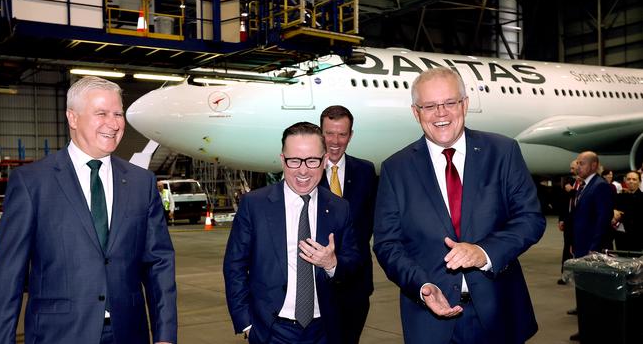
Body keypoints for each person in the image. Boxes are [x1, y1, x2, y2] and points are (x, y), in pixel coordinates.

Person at [0, 76, 177, 344]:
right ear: (73, 118)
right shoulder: (32, 182)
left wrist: (165, 335)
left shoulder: (141, 182)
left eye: (118, 114)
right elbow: (9, 273)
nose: (113, 124)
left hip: (129, 332)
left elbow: (159, 263)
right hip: (59, 334)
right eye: (101, 113)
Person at [373, 67, 546, 344]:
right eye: (429, 106)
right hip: (429, 320)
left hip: (500, 314)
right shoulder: (396, 169)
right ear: (416, 112)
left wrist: (484, 252)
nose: (441, 113)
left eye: (450, 102)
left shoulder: (502, 152)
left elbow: (530, 219)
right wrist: (422, 285)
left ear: (464, 104)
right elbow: (387, 244)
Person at [223, 122, 361, 344]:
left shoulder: (339, 208)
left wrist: (332, 264)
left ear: (325, 161)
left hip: (324, 330)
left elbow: (354, 263)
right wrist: (246, 324)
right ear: (282, 160)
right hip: (270, 330)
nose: (303, 170)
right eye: (294, 160)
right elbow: (234, 266)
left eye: (312, 161)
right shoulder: (255, 204)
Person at [319, 105, 377, 344]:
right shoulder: (306, 171)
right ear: (320, 133)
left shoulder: (365, 171)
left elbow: (371, 221)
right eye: (329, 133)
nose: (335, 141)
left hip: (356, 284)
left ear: (350, 135)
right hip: (317, 284)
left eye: (342, 134)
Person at [567, 151, 613, 341]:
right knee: (583, 289)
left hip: (592, 249)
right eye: (577, 163)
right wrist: (573, 243)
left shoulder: (600, 186)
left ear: (594, 166)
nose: (578, 166)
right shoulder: (584, 186)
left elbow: (603, 219)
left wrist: (593, 248)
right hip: (581, 246)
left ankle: (593, 330)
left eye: (582, 163)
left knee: (593, 292)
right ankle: (585, 327)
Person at [556, 160, 579, 285]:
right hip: (569, 222)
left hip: (580, 223)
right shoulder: (569, 182)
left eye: (573, 168)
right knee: (566, 249)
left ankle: (580, 275)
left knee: (579, 249)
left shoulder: (582, 185)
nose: (571, 171)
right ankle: (565, 275)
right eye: (571, 168)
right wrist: (561, 219)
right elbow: (563, 203)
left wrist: (572, 191)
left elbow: (581, 199)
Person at [612, 171, 643, 251]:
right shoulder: (619, 197)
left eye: (634, 179)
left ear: (639, 182)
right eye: (629, 179)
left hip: (638, 238)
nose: (631, 181)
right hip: (621, 237)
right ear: (625, 181)